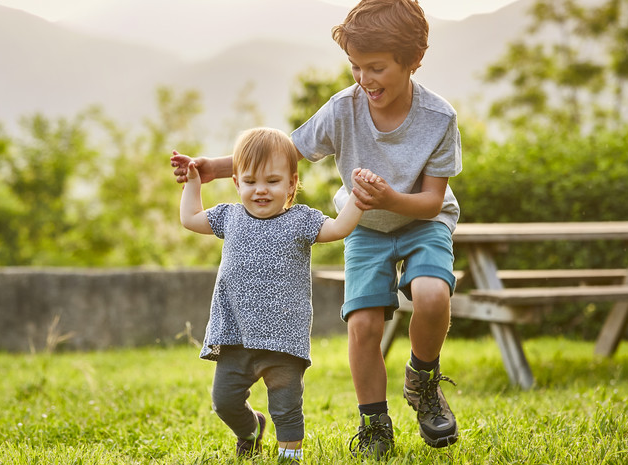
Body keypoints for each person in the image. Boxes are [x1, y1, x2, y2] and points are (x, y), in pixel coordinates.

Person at [172, 0, 462, 457]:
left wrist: (388, 199)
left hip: (422, 220)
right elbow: (288, 153)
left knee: (431, 294)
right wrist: (213, 167)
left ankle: (422, 381)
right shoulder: (343, 108)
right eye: (355, 67)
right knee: (364, 324)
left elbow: (430, 201)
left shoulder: (438, 118)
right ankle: (375, 424)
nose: (364, 80)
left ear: (413, 61)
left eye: (376, 68)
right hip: (363, 224)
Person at [179, 127, 378, 462]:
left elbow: (339, 228)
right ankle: (250, 431)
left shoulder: (301, 220)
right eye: (251, 181)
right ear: (237, 183)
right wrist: (193, 182)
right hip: (234, 336)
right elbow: (190, 218)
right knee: (224, 400)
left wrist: (357, 200)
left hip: (284, 339)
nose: (261, 190)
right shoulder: (229, 216)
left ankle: (289, 457)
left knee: (286, 407)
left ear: (291, 184)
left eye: (272, 181)